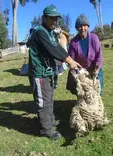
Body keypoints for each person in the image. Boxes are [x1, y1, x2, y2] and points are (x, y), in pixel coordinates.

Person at [26, 5, 81, 140]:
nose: (54, 21)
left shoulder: (49, 32)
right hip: (39, 73)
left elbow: (58, 48)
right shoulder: (40, 32)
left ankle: (50, 121)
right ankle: (46, 129)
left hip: (48, 72)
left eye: (56, 18)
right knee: (43, 101)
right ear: (44, 18)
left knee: (49, 98)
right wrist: (70, 62)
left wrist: (71, 59)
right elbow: (52, 50)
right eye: (51, 18)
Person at [66, 14, 103, 95]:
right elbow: (71, 60)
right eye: (80, 26)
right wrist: (77, 76)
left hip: (94, 68)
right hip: (81, 71)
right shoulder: (73, 43)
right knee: (82, 91)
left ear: (88, 27)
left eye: (84, 25)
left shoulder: (94, 38)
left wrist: (97, 69)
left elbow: (99, 56)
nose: (82, 28)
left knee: (96, 91)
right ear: (76, 28)